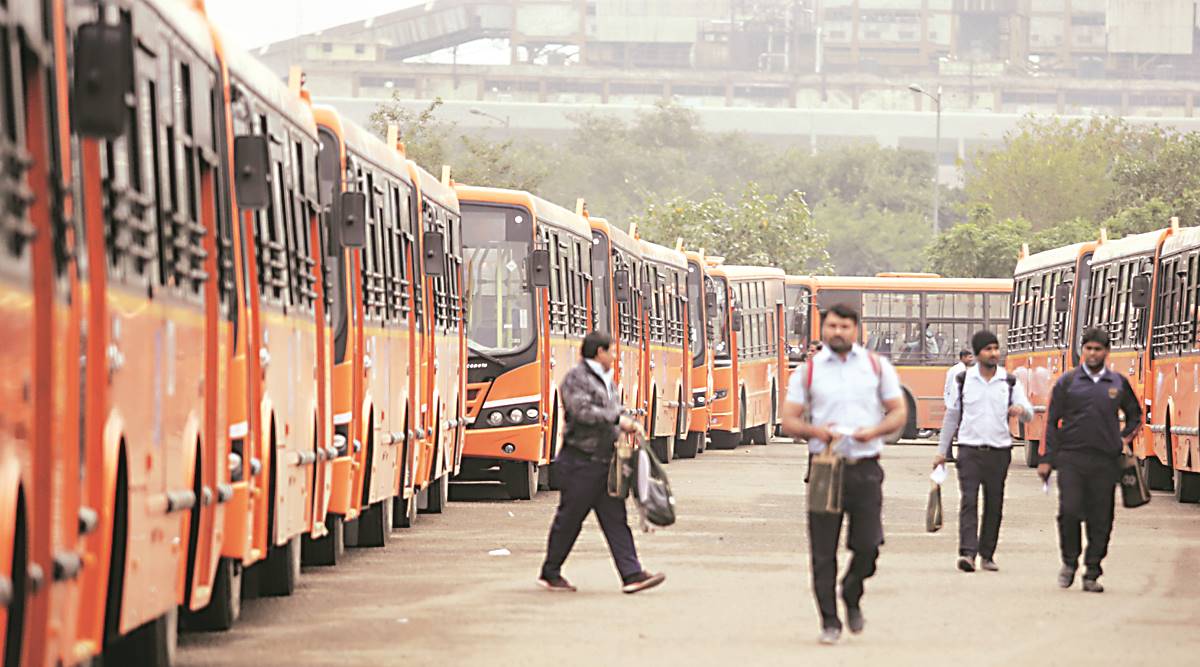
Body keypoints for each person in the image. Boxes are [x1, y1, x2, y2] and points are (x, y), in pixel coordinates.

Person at [781, 303, 907, 646]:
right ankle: (829, 621)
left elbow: (898, 411)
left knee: (869, 545)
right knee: (823, 550)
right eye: (832, 326)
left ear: (856, 330)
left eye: (845, 326)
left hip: (866, 468)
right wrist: (816, 432)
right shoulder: (808, 372)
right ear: (823, 329)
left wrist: (875, 431)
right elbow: (789, 419)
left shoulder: (876, 366)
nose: (838, 332)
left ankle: (851, 591)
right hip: (826, 468)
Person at [538, 331, 666, 594]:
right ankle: (550, 572)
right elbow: (581, 411)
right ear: (599, 352)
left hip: (605, 464)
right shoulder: (577, 378)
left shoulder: (606, 380)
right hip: (580, 462)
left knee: (616, 520)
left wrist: (629, 423)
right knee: (569, 520)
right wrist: (617, 420)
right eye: (612, 351)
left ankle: (632, 574)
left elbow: (615, 410)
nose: (615, 356)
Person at [1037, 328, 1141, 593]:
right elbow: (1051, 421)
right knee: (1069, 511)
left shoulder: (1117, 383)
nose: (1093, 354)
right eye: (1088, 349)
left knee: (1101, 518)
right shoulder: (1068, 382)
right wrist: (1046, 459)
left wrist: (1123, 439)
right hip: (1071, 459)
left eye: (1098, 349)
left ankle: (1092, 571)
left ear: (1107, 352)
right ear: (1082, 350)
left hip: (1105, 462)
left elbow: (1135, 416)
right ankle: (1069, 561)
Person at [934, 331, 1033, 573]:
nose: (993, 353)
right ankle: (967, 553)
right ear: (978, 354)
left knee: (994, 503)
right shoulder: (963, 380)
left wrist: (1021, 410)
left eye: (996, 348)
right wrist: (941, 451)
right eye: (988, 349)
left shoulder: (1009, 382)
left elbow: (1029, 412)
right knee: (968, 501)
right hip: (969, 450)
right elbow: (952, 416)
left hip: (999, 451)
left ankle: (987, 555)